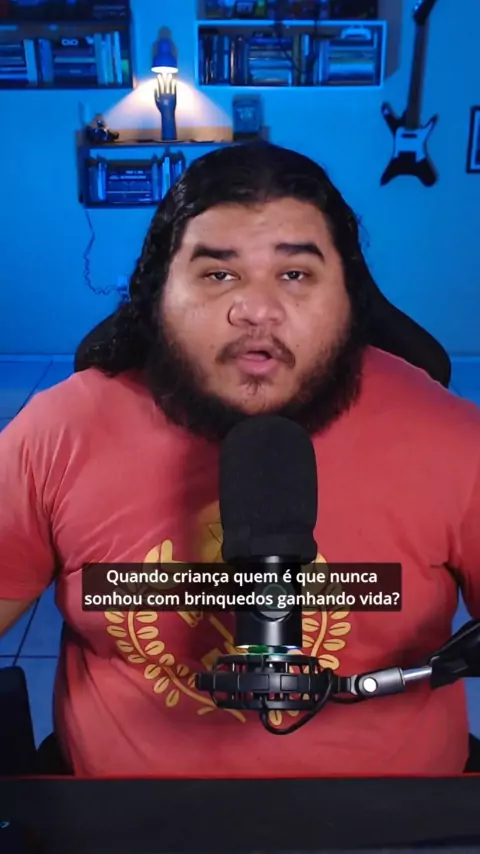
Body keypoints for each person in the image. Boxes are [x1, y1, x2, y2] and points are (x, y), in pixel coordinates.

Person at [0, 141, 479, 778]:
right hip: (124, 817)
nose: (255, 309)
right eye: (217, 274)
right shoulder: (58, 432)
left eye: (295, 274)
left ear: (350, 298)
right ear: (157, 296)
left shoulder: (451, 436)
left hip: (397, 816)